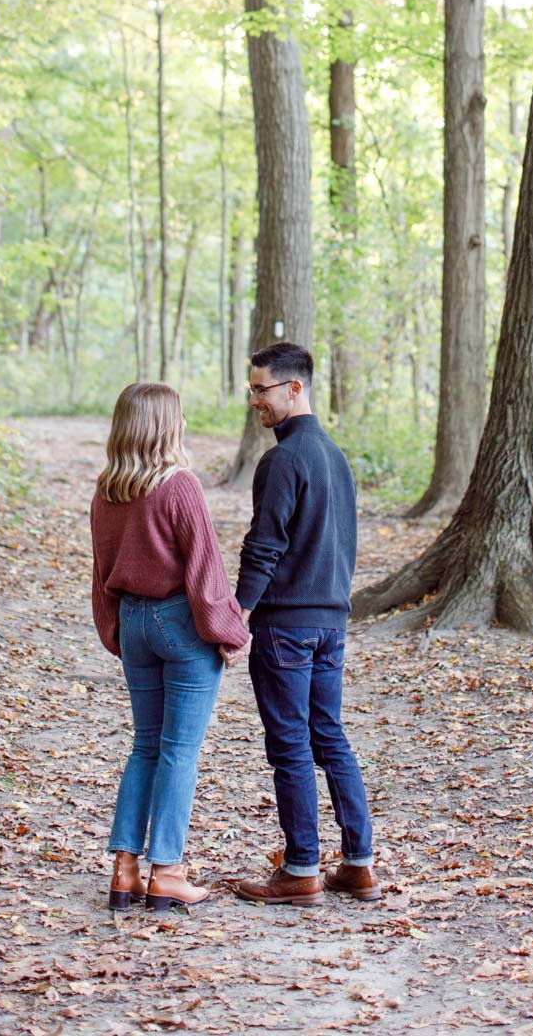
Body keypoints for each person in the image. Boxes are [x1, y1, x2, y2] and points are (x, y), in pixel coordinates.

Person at [228, 341, 380, 906]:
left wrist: (236, 616)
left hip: (287, 626)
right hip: (330, 624)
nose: (254, 401)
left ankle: (300, 870)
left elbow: (263, 547)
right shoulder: (336, 457)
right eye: (251, 390)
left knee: (291, 744)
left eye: (262, 389)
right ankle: (359, 864)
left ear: (295, 388)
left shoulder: (283, 460)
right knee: (329, 736)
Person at [90, 381, 248, 912]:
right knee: (179, 752)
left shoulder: (108, 490)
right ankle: (169, 872)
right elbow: (205, 569)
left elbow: (100, 572)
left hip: (133, 620)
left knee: (145, 746)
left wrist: (114, 629)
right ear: (166, 424)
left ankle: (125, 869)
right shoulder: (179, 485)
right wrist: (226, 631)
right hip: (179, 623)